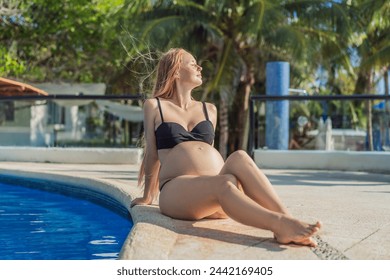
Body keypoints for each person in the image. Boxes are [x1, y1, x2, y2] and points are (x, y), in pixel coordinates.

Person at [131, 48, 321, 247]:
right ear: (176, 71)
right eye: (193, 63)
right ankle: (280, 224)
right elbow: (152, 154)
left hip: (215, 196)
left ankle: (287, 219)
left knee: (239, 156)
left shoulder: (209, 109)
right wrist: (147, 196)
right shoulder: (155, 106)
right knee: (222, 185)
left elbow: (206, 152)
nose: (200, 67)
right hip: (178, 191)